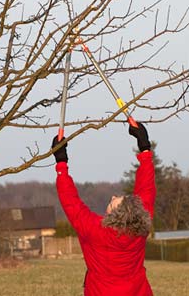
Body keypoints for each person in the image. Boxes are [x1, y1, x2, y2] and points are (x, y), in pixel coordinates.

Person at [51, 123, 156, 296]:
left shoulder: (95, 231)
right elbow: (147, 188)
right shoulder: (141, 223)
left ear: (113, 216)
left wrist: (61, 162)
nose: (113, 197)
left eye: (113, 203)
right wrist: (144, 148)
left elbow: (71, 202)